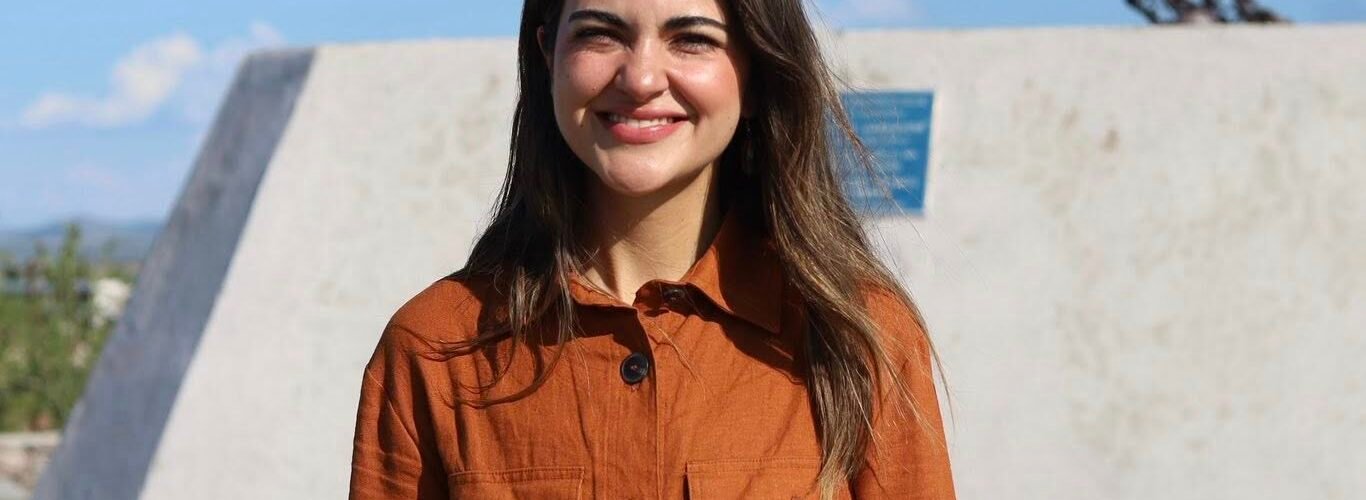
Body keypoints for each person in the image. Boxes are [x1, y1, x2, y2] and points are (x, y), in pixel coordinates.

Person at [348, 0, 956, 498]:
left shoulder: (860, 337)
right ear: (548, 55)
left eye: (692, 39)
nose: (640, 79)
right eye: (600, 34)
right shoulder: (434, 347)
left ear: (754, 68)